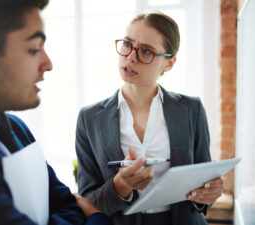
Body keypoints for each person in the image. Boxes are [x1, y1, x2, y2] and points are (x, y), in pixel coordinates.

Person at [0, 0, 112, 224]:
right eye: (33, 49)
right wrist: (97, 218)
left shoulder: (16, 128)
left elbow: (66, 202)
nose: (48, 63)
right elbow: (79, 211)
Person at [75, 12, 224, 225]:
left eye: (146, 51)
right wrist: (121, 186)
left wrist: (209, 192)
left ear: (169, 63)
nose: (131, 57)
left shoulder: (191, 110)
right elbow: (88, 202)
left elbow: (201, 186)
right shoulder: (89, 119)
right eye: (127, 44)